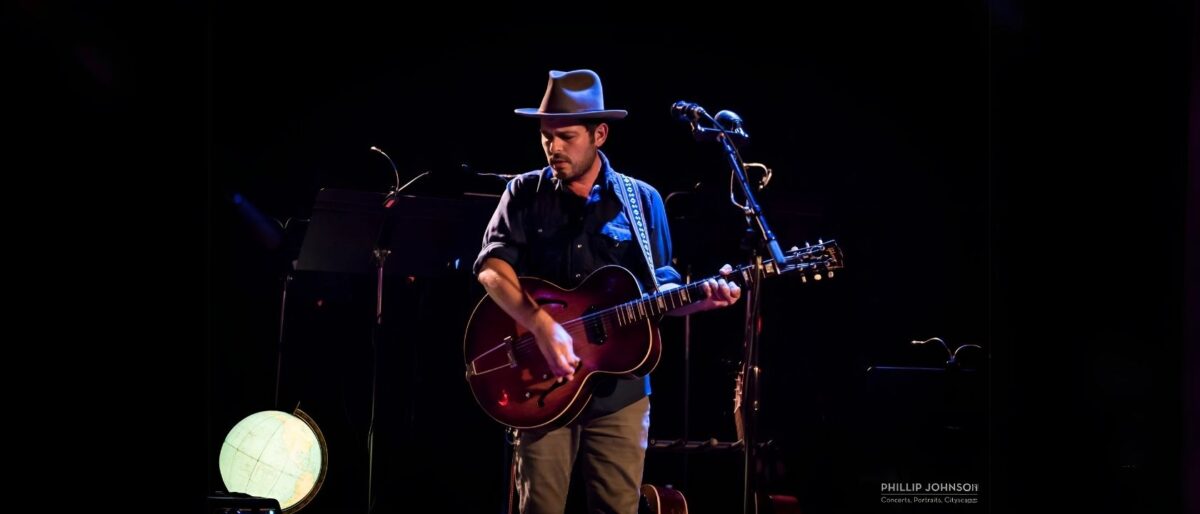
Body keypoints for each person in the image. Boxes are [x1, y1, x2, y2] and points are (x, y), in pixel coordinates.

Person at [473, 69, 741, 514]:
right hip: (543, 387)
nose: (553, 147)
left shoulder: (644, 200)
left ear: (599, 134)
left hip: (621, 392)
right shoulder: (523, 192)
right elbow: (491, 269)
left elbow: (661, 288)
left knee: (618, 507)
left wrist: (700, 299)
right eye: (546, 136)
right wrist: (542, 327)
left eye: (566, 136)